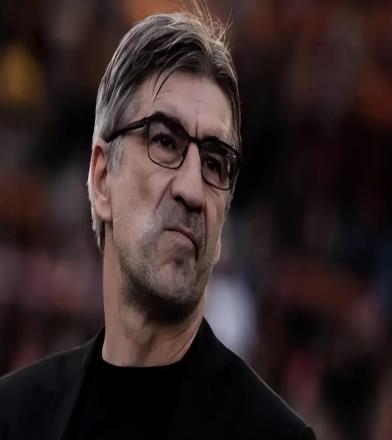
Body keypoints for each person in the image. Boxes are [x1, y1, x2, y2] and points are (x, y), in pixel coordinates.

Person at [0, 5, 316, 440]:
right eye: (165, 142)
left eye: (214, 163)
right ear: (102, 178)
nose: (192, 190)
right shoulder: (15, 416)